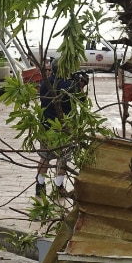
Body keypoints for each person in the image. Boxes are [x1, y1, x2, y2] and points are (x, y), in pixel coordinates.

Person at [36, 60, 87, 196]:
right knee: (63, 158)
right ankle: (58, 188)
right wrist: (81, 86)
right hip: (64, 128)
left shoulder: (44, 84)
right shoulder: (70, 85)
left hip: (46, 125)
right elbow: (82, 101)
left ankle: (39, 186)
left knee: (44, 157)